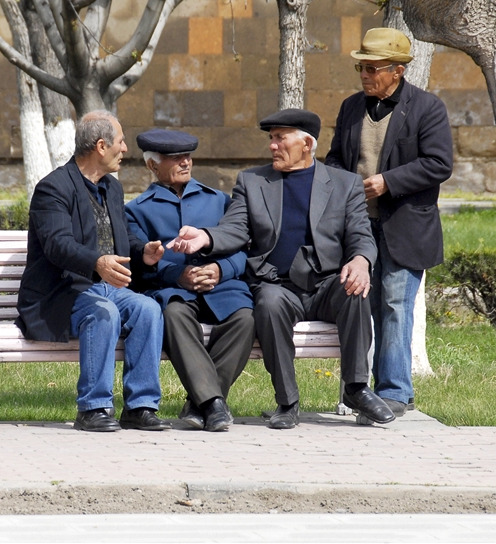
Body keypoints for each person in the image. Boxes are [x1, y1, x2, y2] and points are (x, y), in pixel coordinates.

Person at [168, 109, 395, 429]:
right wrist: (205, 237)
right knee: (269, 303)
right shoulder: (253, 181)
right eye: (271, 139)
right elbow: (234, 228)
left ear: (306, 144)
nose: (273, 145)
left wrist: (361, 260)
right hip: (277, 285)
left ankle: (356, 388)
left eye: (280, 138)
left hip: (326, 283)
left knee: (355, 288)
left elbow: (361, 235)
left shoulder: (345, 184)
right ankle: (287, 402)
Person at [325, 28, 453, 417]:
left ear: (397, 71)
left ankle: (395, 392)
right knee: (361, 305)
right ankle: (361, 390)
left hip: (405, 226)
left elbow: (438, 164)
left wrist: (387, 182)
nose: (364, 75)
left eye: (372, 68)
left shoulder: (427, 108)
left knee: (396, 305)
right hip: (359, 227)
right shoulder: (350, 108)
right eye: (361, 67)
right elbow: (334, 160)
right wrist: (340, 187)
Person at [16, 111, 170, 433]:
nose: (126, 148)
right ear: (101, 146)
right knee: (105, 312)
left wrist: (144, 252)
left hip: (105, 290)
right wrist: (97, 262)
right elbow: (58, 244)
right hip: (62, 293)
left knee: (148, 309)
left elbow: (122, 237)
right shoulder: (52, 188)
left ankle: (140, 406)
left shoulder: (111, 188)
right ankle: (93, 407)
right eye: (121, 141)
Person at [125, 129, 254, 433]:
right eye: (176, 158)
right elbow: (141, 264)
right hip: (173, 292)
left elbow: (243, 251)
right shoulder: (136, 211)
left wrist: (221, 270)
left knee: (245, 319)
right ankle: (213, 404)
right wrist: (177, 275)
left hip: (222, 288)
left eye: (188, 156)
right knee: (173, 314)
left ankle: (201, 403)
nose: (186, 162)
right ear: (152, 166)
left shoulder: (221, 201)